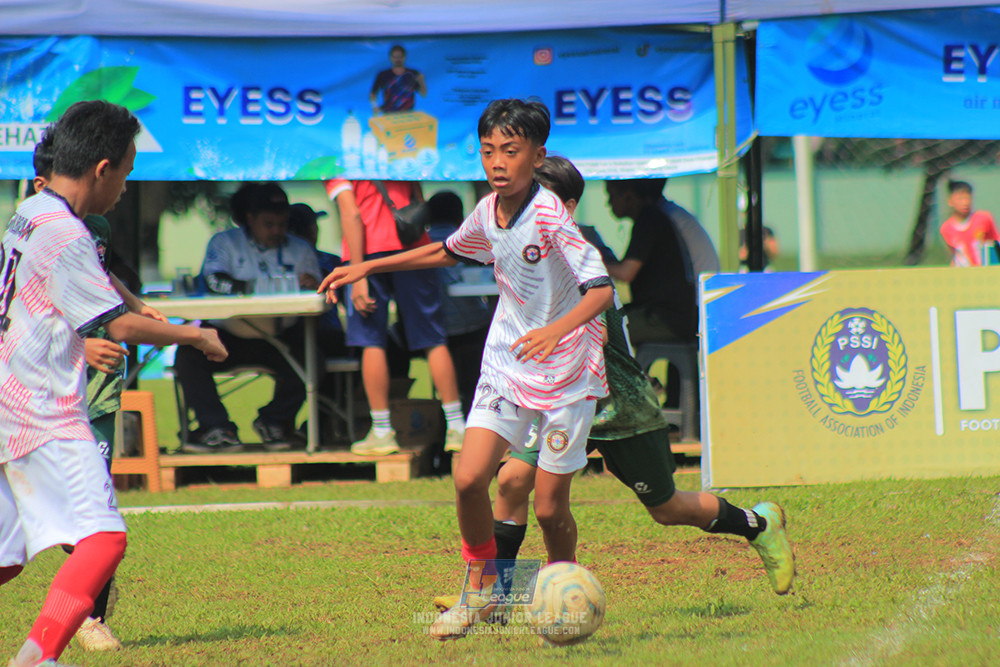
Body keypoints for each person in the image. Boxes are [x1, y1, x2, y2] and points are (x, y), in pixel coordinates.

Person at [433, 156, 796, 616]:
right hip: (560, 398)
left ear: (563, 207)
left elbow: (590, 328)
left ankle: (757, 524)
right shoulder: (534, 245)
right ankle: (496, 595)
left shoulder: (575, 255)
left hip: (617, 405)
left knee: (666, 508)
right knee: (511, 480)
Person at [319, 99, 614, 640]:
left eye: (511, 150)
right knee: (468, 477)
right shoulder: (487, 210)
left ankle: (563, 595)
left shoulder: (551, 215)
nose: (497, 161)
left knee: (549, 511)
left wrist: (555, 330)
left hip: (567, 374)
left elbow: (601, 291)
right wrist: (365, 265)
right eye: (488, 150)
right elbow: (447, 252)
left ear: (537, 156)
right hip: (507, 364)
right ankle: (481, 592)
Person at [1, 100, 227, 667]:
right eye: (126, 172)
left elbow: (67, 291)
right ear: (102, 169)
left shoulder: (31, 210)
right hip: (42, 412)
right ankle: (37, 658)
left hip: (10, 398)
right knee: (103, 539)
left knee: (6, 559)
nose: (126, 187)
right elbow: (119, 326)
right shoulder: (67, 233)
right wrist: (195, 335)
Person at [29, 132, 174, 652]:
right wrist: (82, 341)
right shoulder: (37, 231)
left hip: (98, 388)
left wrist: (134, 304)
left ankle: (89, 617)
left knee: (98, 506)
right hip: (46, 389)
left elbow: (101, 276)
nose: (124, 187)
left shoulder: (96, 228)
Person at [173, 183, 321, 453]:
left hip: (281, 336)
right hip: (227, 336)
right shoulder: (224, 242)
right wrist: (258, 287)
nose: (276, 231)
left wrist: (311, 284)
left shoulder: (300, 249)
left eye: (282, 224)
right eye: (269, 224)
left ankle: (275, 421)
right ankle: (216, 427)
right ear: (250, 218)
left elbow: (317, 288)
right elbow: (214, 280)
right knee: (188, 355)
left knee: (314, 357)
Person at [324, 178, 465, 456]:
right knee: (433, 339)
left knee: (371, 341)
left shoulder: (336, 160)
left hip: (367, 252)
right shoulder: (398, 150)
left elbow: (352, 213)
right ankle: (457, 427)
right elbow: (418, 198)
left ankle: (382, 431)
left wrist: (358, 273)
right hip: (413, 245)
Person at [604, 178, 697, 346]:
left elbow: (626, 272)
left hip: (666, 319)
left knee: (601, 330)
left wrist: (592, 263)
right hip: (667, 315)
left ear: (629, 196)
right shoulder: (652, 217)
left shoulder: (648, 219)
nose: (608, 203)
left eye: (612, 196)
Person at [425, 191, 493, 417]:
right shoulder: (465, 240)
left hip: (431, 329)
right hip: (470, 326)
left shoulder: (421, 243)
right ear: (460, 215)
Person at [940, 179, 999, 267]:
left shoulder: (984, 219)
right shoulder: (946, 228)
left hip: (984, 269)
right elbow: (954, 254)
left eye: (967, 198)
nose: (965, 203)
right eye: (960, 199)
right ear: (950, 201)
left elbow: (996, 241)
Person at [370, 44, 427, 115]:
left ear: (404, 57)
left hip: (408, 114)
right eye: (395, 57)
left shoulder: (412, 74)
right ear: (390, 58)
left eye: (400, 57)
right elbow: (373, 94)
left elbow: (423, 94)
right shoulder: (383, 75)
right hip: (389, 114)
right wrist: (374, 106)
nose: (397, 59)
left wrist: (421, 81)